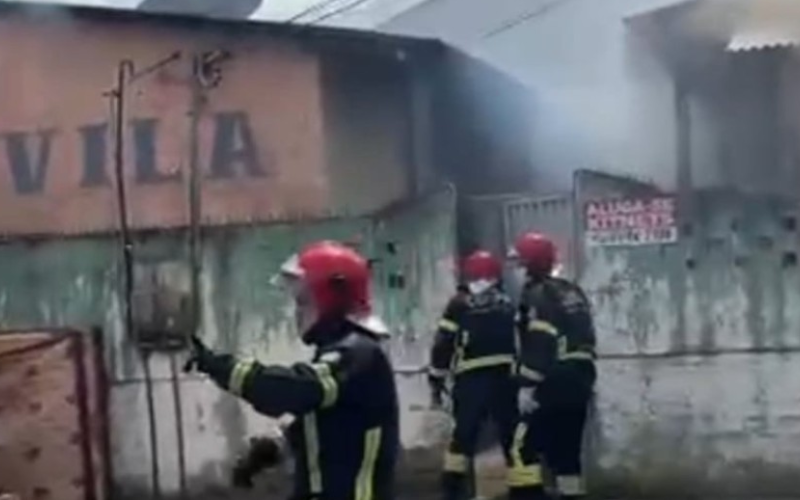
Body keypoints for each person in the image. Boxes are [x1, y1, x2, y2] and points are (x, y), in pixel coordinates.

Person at [186, 240, 399, 500]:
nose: (297, 313)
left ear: (333, 297)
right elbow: (326, 423)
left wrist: (218, 365)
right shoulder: (342, 353)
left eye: (303, 302)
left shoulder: (359, 353)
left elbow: (294, 390)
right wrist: (272, 448)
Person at [507, 233, 597, 500]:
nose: (516, 271)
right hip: (580, 380)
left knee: (522, 448)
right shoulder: (572, 291)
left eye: (520, 264)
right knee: (566, 454)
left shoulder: (538, 294)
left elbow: (540, 341)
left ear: (531, 265)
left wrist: (527, 385)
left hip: (551, 381)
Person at [428, 250, 518, 500]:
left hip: (471, 380)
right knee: (511, 438)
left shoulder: (459, 303)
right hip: (505, 379)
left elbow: (443, 343)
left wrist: (436, 377)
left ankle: (453, 490)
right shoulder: (507, 302)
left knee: (463, 438)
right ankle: (524, 490)